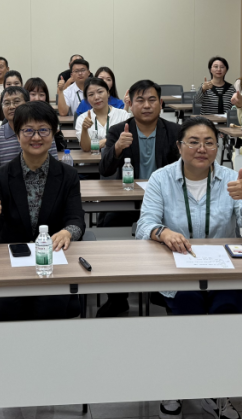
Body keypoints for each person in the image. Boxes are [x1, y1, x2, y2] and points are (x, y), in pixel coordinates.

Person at [136, 116, 242, 419]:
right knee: (188, 317)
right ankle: (179, 384)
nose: (202, 148)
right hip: (179, 271)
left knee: (224, 316)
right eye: (193, 142)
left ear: (218, 148)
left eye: (209, 142)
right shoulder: (161, 179)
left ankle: (215, 390)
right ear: (179, 146)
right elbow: (145, 225)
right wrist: (163, 232)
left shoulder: (231, 178)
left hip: (224, 272)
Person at [0, 101, 84, 322]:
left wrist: (67, 232)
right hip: (9, 264)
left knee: (51, 308)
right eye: (28, 130)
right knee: (3, 310)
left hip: (52, 263)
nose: (36, 137)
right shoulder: (0, 176)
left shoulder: (68, 175)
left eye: (43, 130)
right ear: (17, 135)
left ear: (53, 133)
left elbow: (76, 219)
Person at [97, 79, 181, 318]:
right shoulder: (118, 130)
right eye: (140, 100)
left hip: (165, 203)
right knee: (108, 228)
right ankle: (117, 298)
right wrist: (116, 148)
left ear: (161, 104)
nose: (146, 105)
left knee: (177, 228)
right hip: (126, 202)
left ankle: (165, 291)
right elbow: (104, 169)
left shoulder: (175, 132)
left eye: (152, 100)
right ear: (130, 105)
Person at [0, 86, 57, 180]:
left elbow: (55, 168)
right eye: (6, 103)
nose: (11, 107)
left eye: (16, 102)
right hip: (6, 186)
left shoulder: (43, 132)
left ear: (27, 104)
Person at [76, 77, 131, 161]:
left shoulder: (123, 115)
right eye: (91, 94)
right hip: (91, 163)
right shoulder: (82, 118)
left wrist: (105, 141)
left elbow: (127, 141)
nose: (96, 97)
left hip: (117, 162)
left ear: (108, 93)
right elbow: (86, 148)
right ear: (87, 99)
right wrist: (84, 129)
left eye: (100, 92)